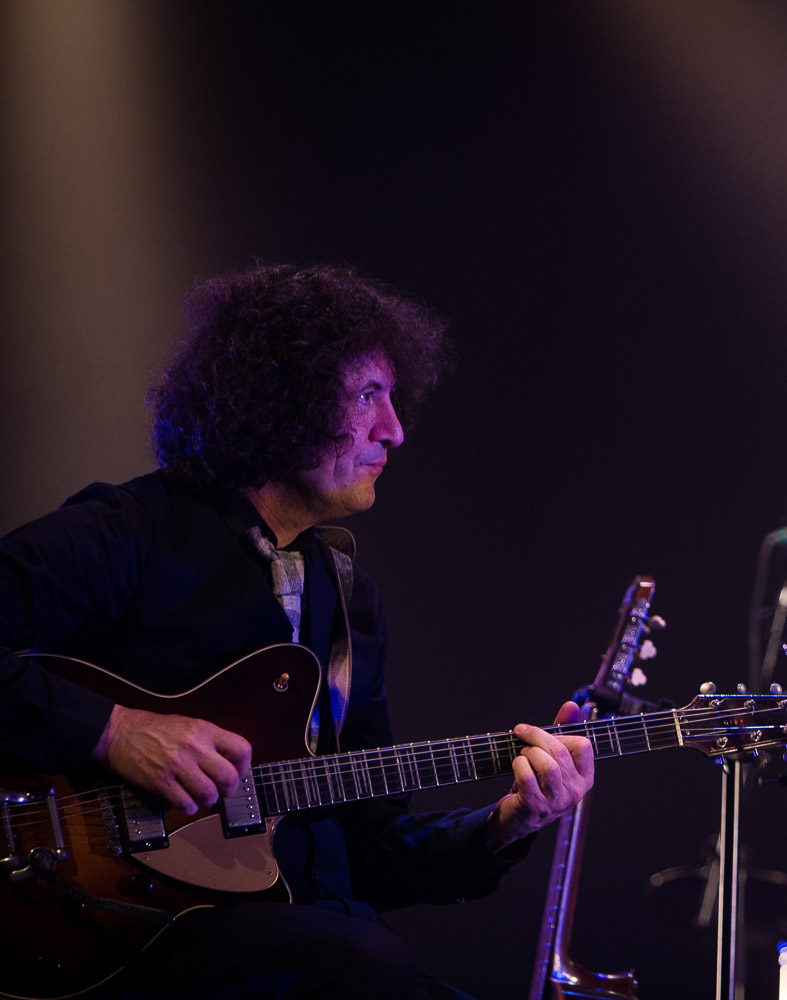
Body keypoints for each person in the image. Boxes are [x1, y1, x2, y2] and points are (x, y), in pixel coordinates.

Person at [0, 264, 594, 999]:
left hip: (309, 942)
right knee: (363, 962)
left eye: (393, 398)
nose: (394, 430)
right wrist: (111, 730)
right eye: (368, 395)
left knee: (370, 960)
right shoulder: (132, 532)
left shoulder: (350, 601)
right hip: (119, 932)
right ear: (280, 396)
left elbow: (367, 853)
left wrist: (505, 824)